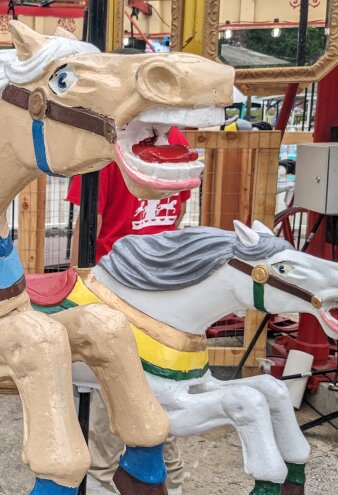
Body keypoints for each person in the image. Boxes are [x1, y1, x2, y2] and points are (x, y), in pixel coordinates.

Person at [68, 127, 192, 495]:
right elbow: (178, 210)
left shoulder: (106, 141)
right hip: (162, 283)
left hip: (115, 281)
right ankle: (170, 480)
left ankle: (101, 478)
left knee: (111, 388)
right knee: (159, 388)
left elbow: (89, 224)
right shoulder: (175, 138)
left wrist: (77, 285)